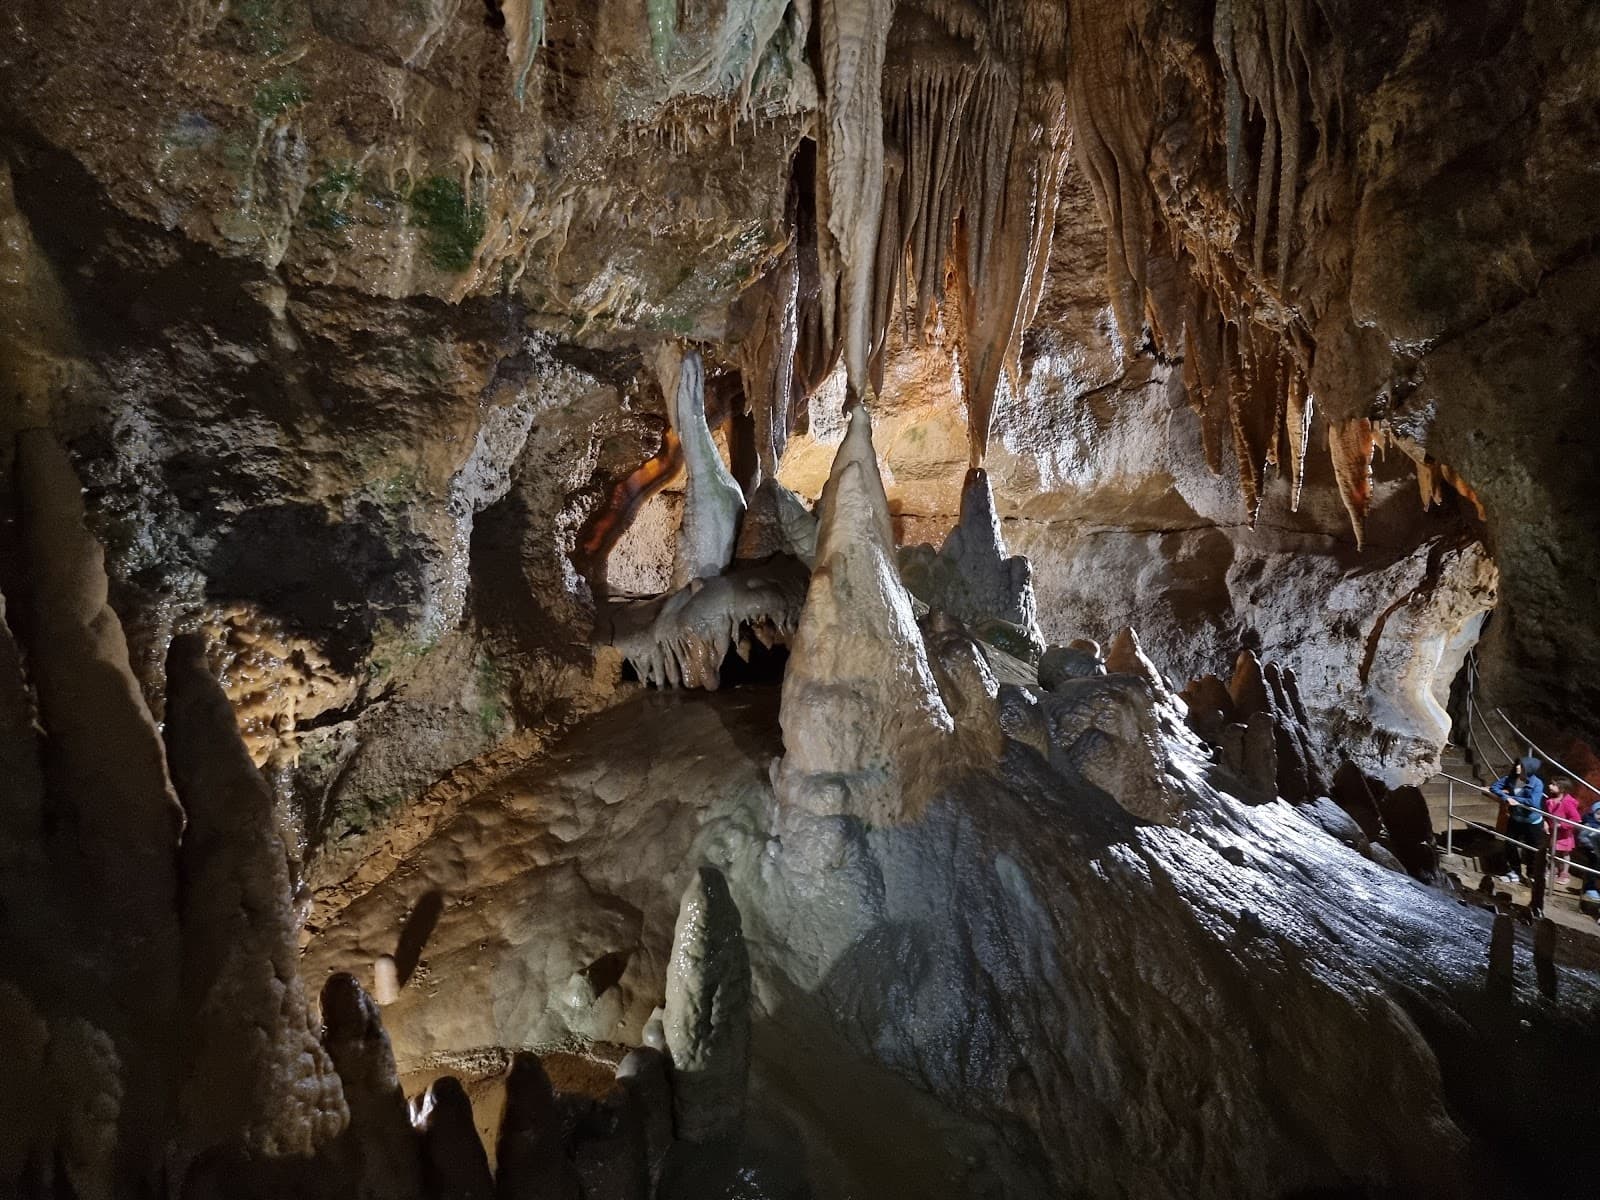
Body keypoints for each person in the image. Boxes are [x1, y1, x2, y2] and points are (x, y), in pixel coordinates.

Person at [1486, 756, 1545, 883]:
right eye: (1517, 764)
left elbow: (1534, 802)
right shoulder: (1511, 778)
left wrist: (1514, 799)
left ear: (1529, 769)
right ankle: (1515, 871)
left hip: (1532, 822)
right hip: (1515, 818)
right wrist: (1505, 797)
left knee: (1532, 849)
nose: (1518, 767)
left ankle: (1532, 874)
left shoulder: (1537, 783)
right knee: (1510, 844)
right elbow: (1494, 787)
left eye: (1521, 766)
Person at [1544, 776, 1583, 883]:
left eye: (1553, 785)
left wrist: (1562, 825)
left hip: (1564, 834)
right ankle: (1554, 869)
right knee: (1554, 851)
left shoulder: (1567, 802)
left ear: (1562, 788)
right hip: (1554, 832)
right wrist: (1546, 822)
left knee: (1565, 853)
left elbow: (1576, 818)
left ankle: (1565, 873)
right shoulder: (1550, 800)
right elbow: (1547, 815)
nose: (1550, 786)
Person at [1576, 798, 1600, 902]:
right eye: (1598, 814)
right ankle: (1590, 888)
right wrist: (1592, 846)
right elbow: (1582, 837)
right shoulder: (1589, 824)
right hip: (1591, 851)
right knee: (1592, 869)